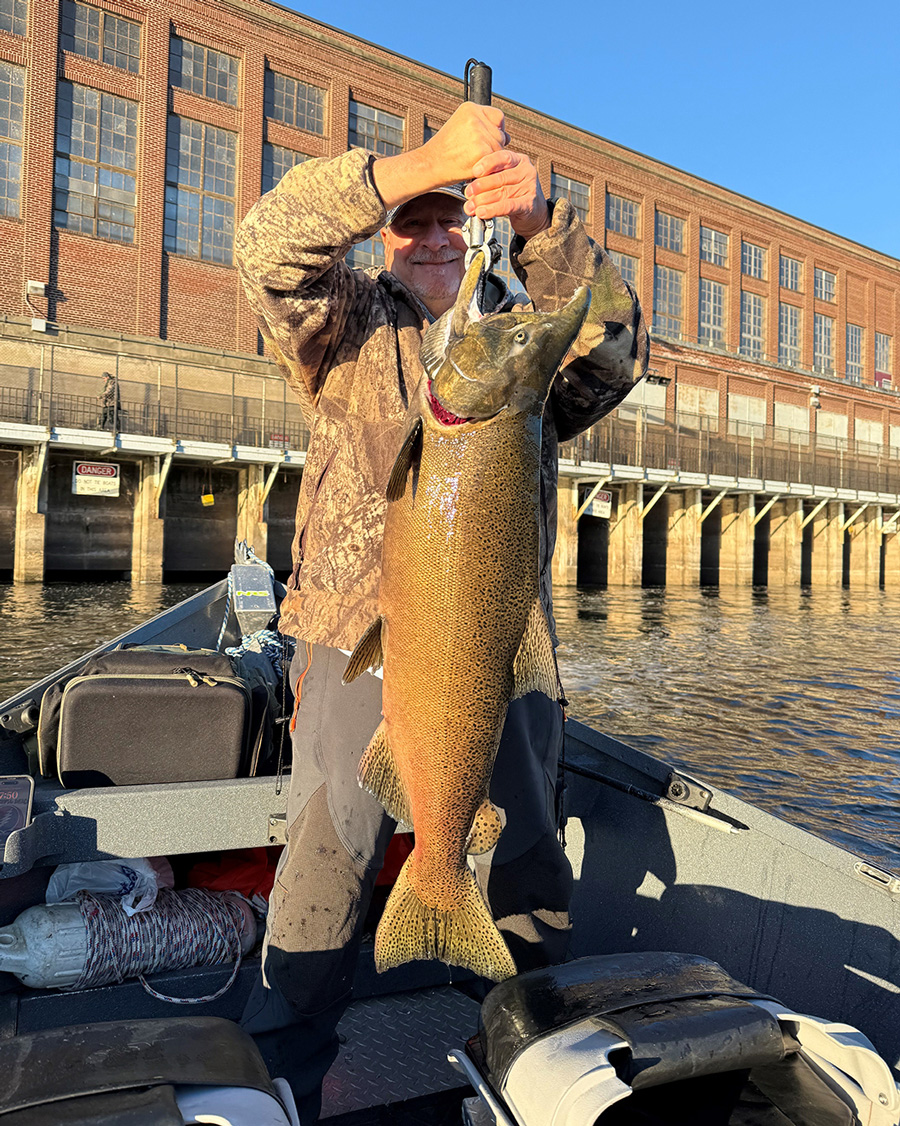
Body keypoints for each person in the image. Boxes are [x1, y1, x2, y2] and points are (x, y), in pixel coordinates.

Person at [234, 102, 649, 1122]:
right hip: (353, 642)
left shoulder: (525, 365)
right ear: (387, 237)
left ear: (480, 235)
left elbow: (621, 348)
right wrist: (416, 163)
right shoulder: (344, 326)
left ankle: (531, 1042)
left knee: (529, 852)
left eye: (453, 218)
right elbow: (264, 245)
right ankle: (283, 1055)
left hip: (501, 651)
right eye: (414, 222)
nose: (433, 238)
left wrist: (545, 223)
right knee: (332, 842)